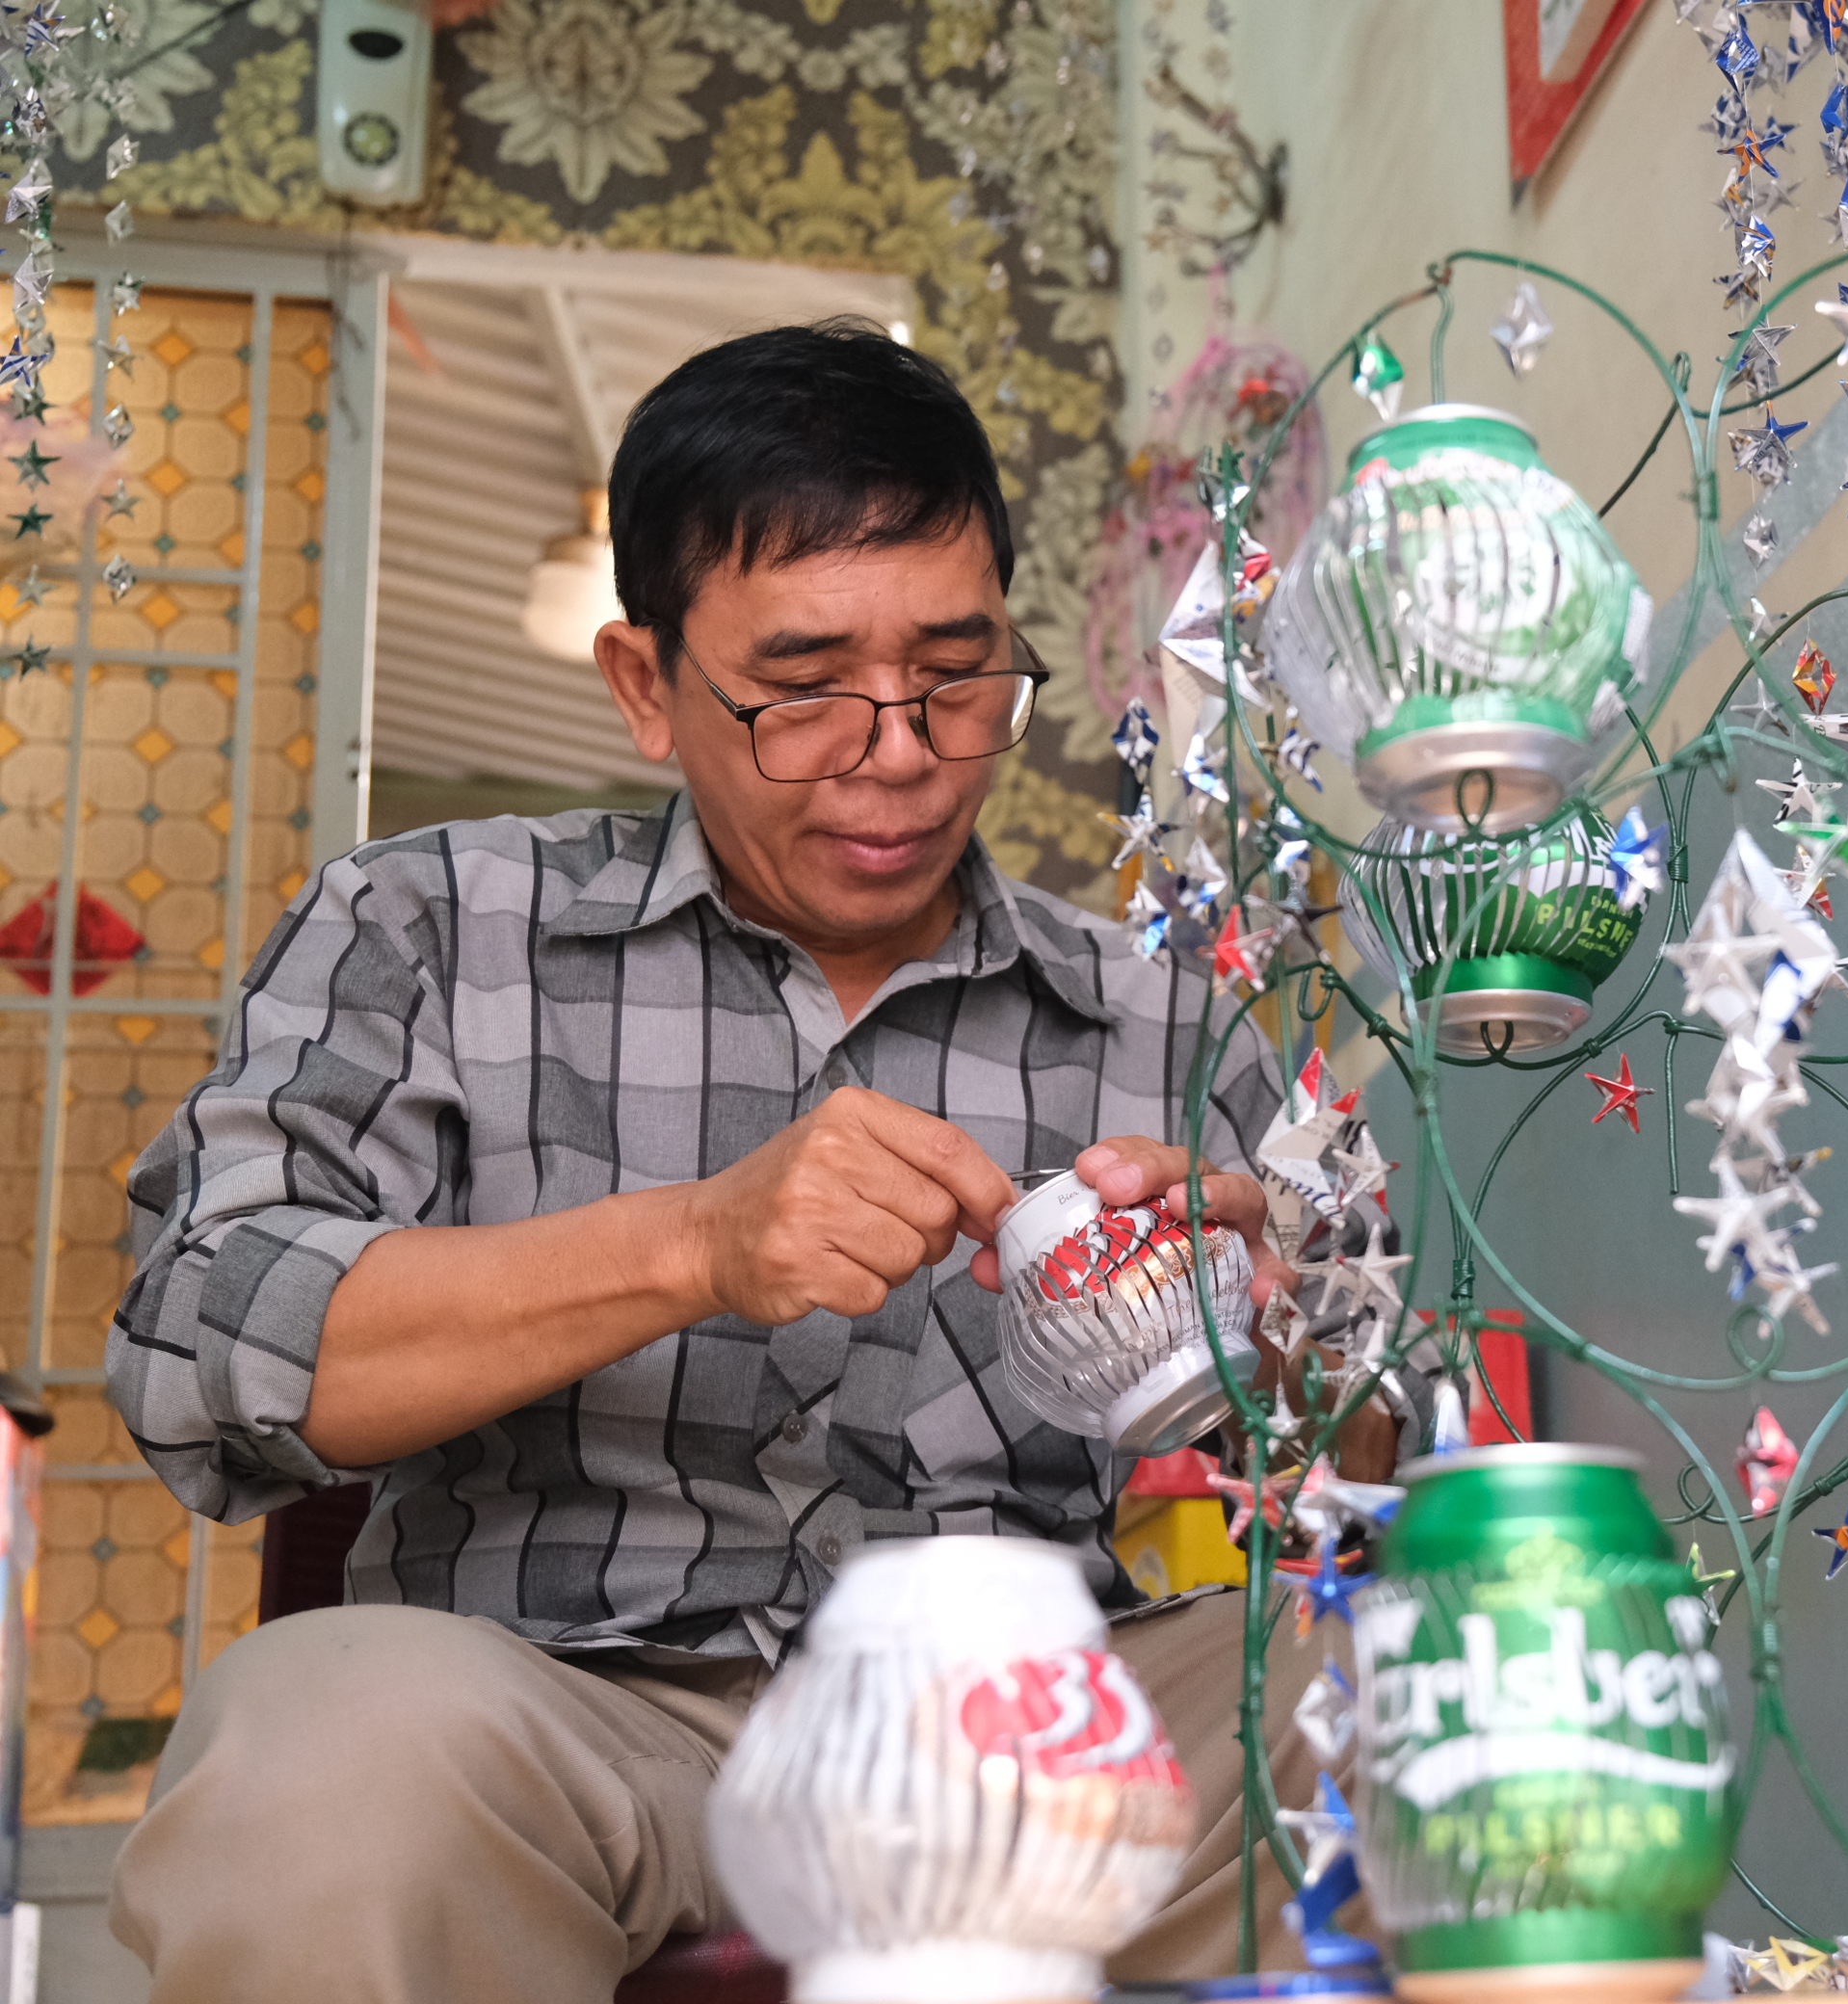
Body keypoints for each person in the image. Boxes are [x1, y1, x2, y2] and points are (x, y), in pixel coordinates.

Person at [101, 320, 1379, 2004]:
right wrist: (692, 1248)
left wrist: (1276, 1324)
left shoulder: (1157, 1019)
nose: (902, 750)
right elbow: (202, 1339)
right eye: (801, 690)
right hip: (563, 1718)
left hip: (1034, 1738)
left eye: (957, 672)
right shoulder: (431, 923)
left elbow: (1375, 1447)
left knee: (1427, 1685)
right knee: (319, 1756)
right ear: (649, 685)